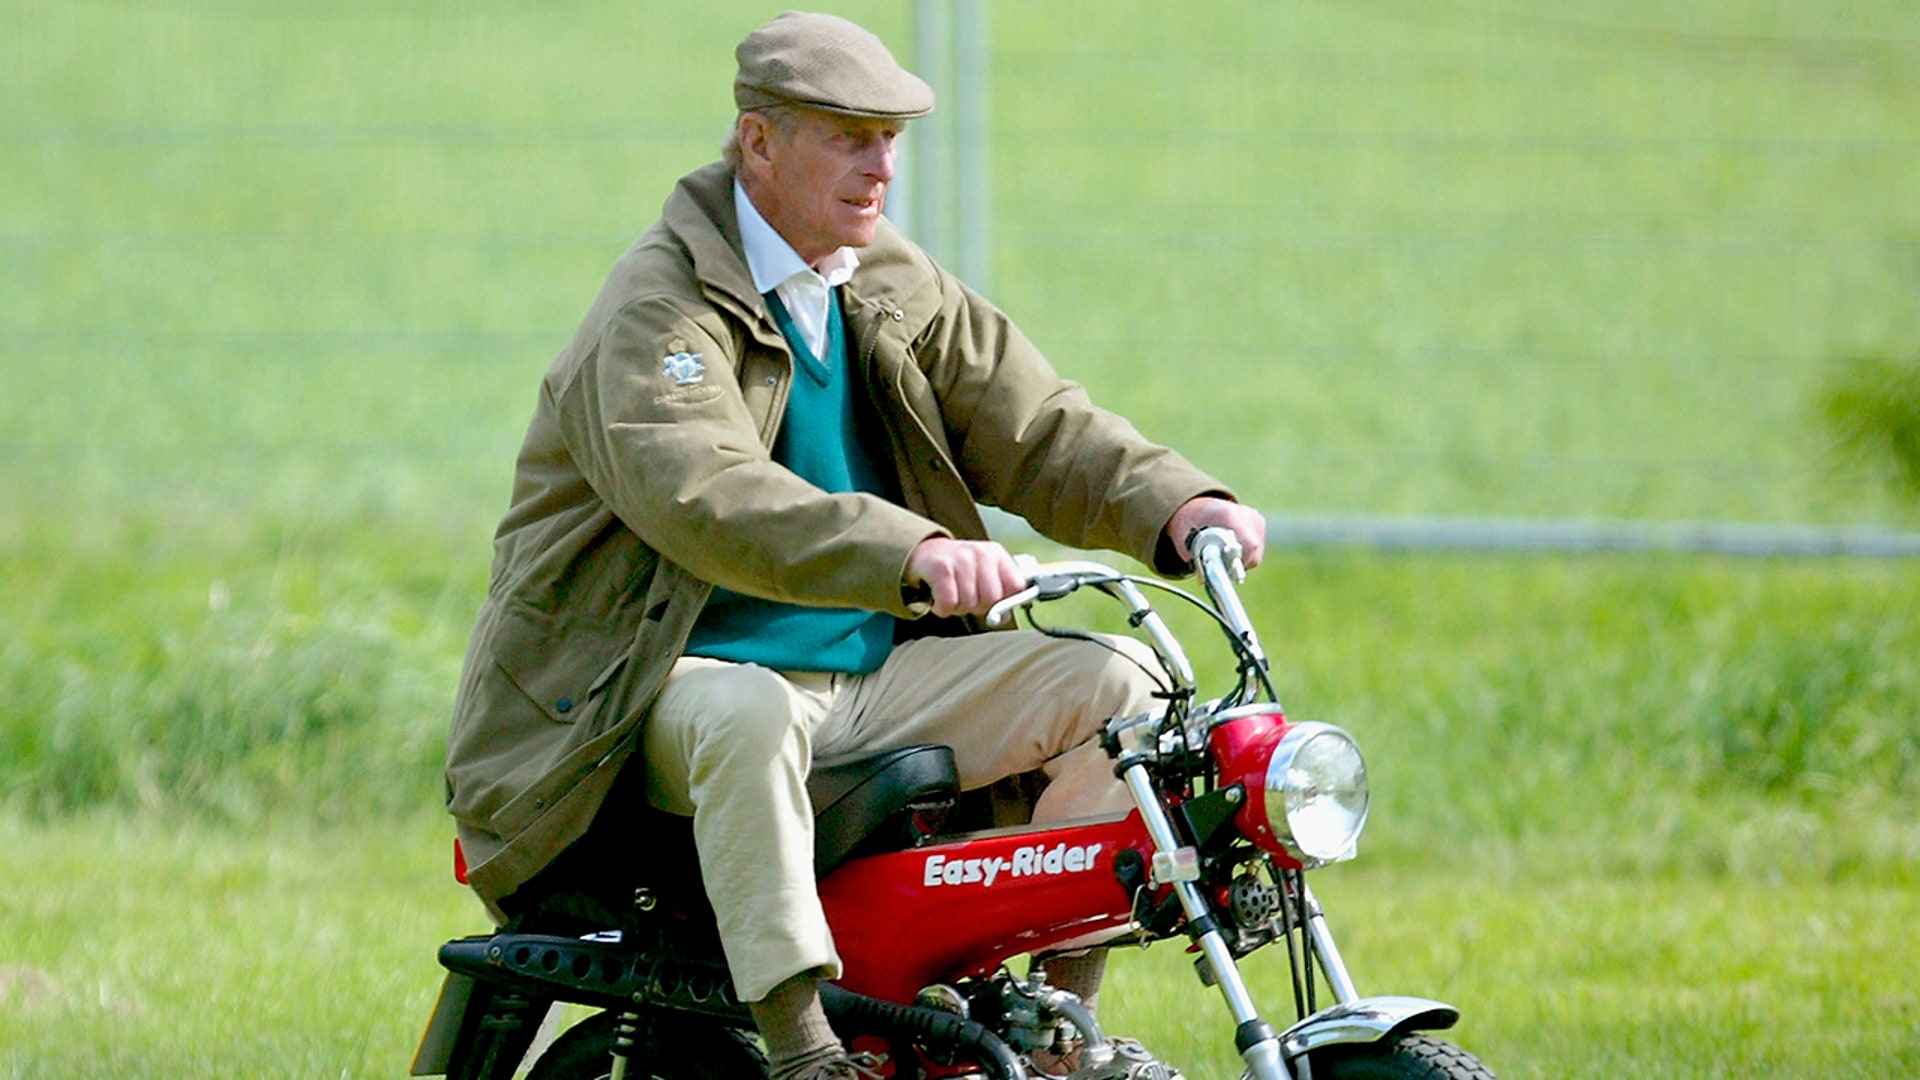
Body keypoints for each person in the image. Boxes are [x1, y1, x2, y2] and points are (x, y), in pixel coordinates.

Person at [444, 11, 1267, 1080]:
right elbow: (710, 495)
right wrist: (910, 549)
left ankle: (1064, 1029)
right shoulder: (656, 313)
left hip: (869, 673)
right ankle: (803, 1051)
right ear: (758, 144)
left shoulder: (882, 277)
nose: (881, 165)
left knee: (1126, 686)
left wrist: (1177, 503)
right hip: (650, 689)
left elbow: (1038, 425)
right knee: (745, 711)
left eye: (891, 135)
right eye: (847, 134)